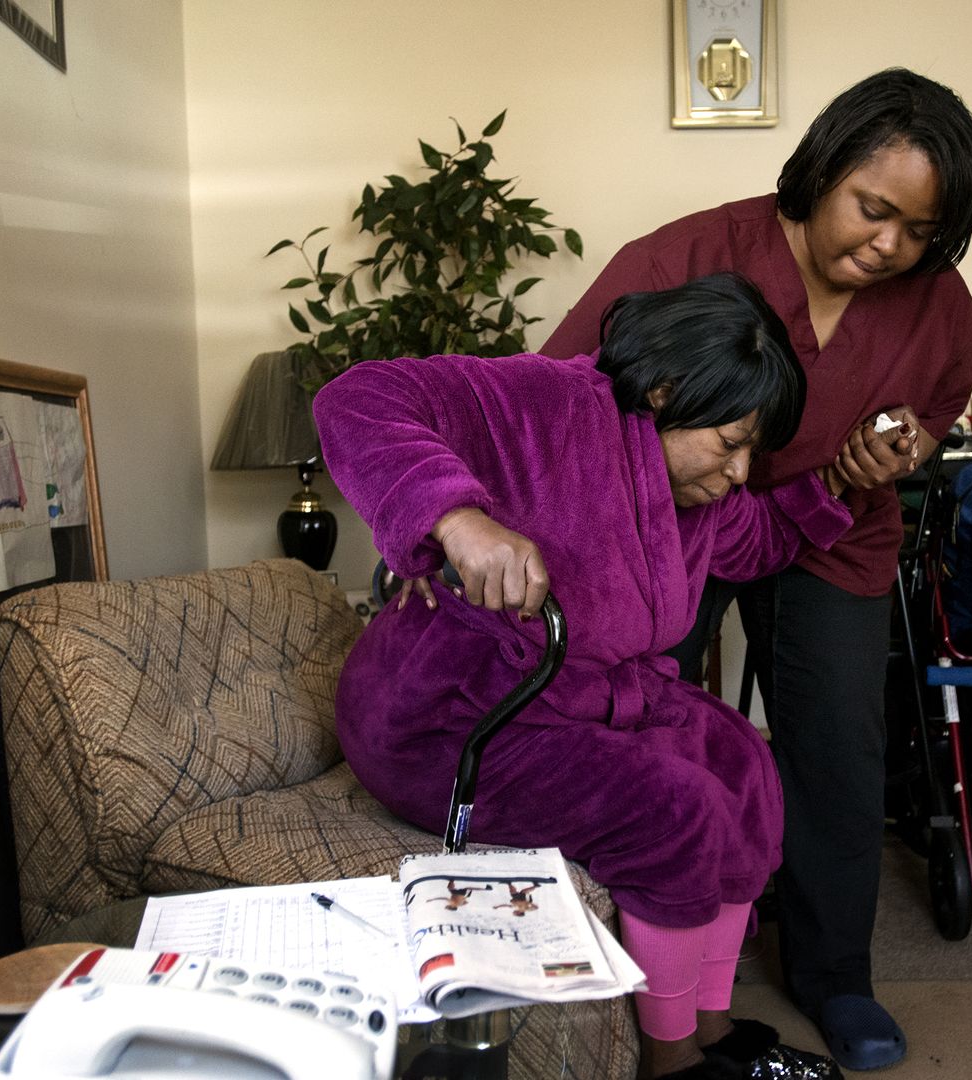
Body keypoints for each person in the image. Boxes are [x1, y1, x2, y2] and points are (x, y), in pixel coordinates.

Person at [540, 67, 972, 1070]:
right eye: (873, 211)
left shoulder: (940, 308)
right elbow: (562, 394)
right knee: (628, 717)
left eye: (919, 231)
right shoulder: (685, 255)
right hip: (682, 525)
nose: (888, 246)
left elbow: (935, 413)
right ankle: (618, 961)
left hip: (834, 530)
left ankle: (836, 976)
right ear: (824, 169)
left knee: (834, 739)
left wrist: (901, 452)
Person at [316, 273, 867, 1080]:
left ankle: (710, 1028)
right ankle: (671, 1060)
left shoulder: (698, 491)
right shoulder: (543, 402)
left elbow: (756, 540)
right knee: (669, 809)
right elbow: (356, 398)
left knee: (742, 762)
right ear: (666, 391)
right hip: (452, 717)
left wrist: (840, 487)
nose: (742, 470)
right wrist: (459, 520)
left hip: (584, 699)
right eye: (730, 442)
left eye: (754, 449)